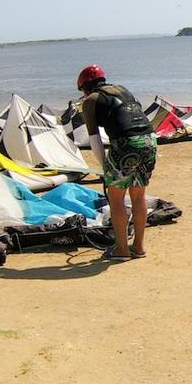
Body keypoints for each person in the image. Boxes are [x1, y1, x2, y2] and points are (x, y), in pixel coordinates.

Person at [76, 64, 157, 262]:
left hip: (125, 143)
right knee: (139, 196)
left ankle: (121, 249)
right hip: (149, 139)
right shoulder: (123, 91)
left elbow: (94, 139)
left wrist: (105, 167)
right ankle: (138, 247)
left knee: (116, 197)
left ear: (85, 87)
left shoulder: (91, 100)